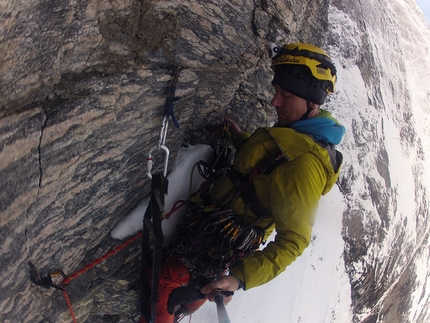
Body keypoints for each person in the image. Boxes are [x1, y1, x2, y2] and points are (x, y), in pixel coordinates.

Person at [139, 42, 345, 323]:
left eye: (285, 94)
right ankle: (185, 308)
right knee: (200, 283)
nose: (275, 101)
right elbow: (270, 162)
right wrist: (240, 138)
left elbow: (294, 240)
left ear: (312, 102)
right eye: (276, 92)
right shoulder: (299, 132)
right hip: (223, 226)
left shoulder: (304, 163)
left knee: (163, 278)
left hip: (227, 236)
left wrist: (238, 279)